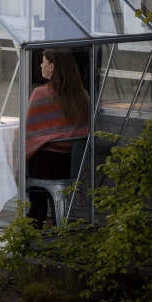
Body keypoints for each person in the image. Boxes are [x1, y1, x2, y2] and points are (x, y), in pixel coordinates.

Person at [25, 47, 90, 227]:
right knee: (39, 160)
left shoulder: (40, 94)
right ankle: (56, 221)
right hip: (73, 164)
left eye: (43, 62)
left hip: (48, 166)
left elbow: (30, 133)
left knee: (28, 162)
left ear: (52, 66)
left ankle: (34, 222)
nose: (40, 65)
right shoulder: (82, 95)